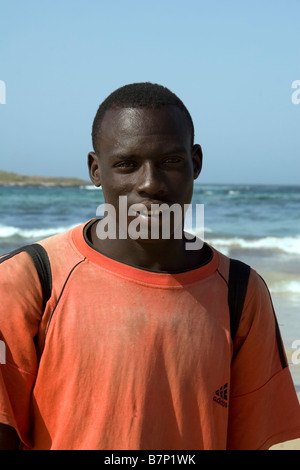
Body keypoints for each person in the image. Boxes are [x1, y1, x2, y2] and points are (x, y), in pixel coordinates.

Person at [0, 82, 299, 450]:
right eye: (127, 164)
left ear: (196, 163)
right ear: (96, 170)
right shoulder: (27, 280)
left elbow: (251, 439)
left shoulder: (241, 292)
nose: (149, 184)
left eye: (170, 161)